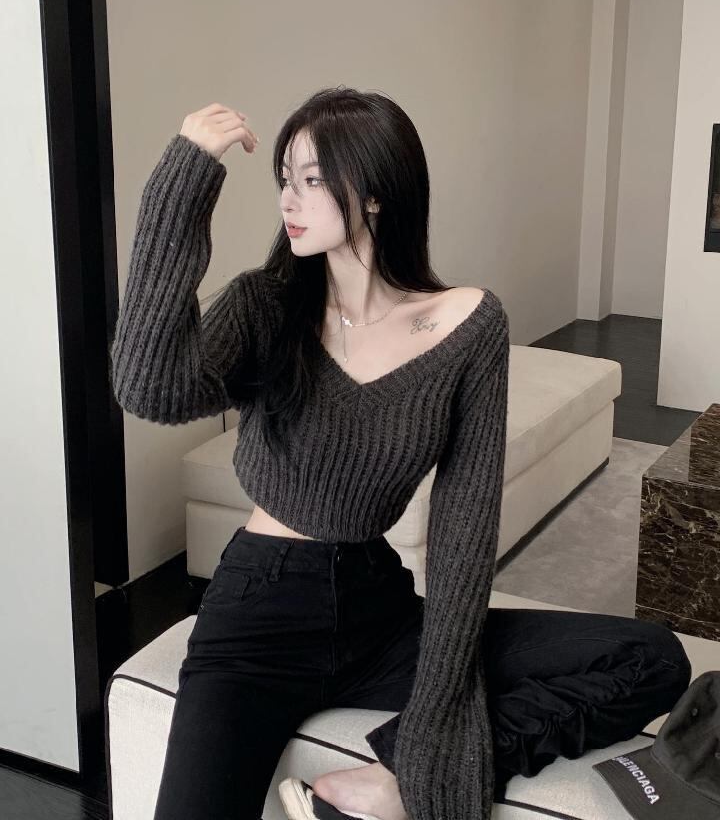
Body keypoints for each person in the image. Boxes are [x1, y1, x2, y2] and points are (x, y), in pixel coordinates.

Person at [109, 88, 692, 820]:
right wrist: (185, 178)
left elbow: (464, 523)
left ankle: (397, 777)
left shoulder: (467, 323)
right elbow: (148, 387)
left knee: (652, 657)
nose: (289, 198)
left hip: (379, 612)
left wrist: (426, 740)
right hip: (259, 613)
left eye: (313, 179)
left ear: (377, 192)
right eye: (285, 178)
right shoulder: (266, 305)